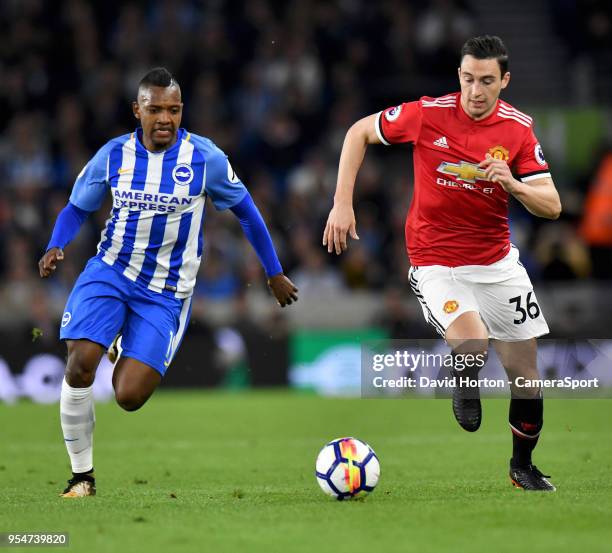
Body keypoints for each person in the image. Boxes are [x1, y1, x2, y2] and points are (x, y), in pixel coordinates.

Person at [39, 67, 298, 498]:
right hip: (111, 270)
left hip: (165, 292)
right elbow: (76, 208)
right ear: (136, 110)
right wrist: (55, 244)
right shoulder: (113, 155)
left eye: (173, 110)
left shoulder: (205, 159)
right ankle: (81, 477)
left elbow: (248, 213)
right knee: (81, 360)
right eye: (155, 108)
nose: (165, 118)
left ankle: (122, 345)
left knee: (129, 396)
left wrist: (274, 272)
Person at [323, 36, 561, 491]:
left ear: (504, 81)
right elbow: (359, 132)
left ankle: (521, 466)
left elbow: (551, 206)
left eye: (487, 81)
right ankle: (464, 377)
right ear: (459, 76)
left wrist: (513, 183)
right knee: (472, 343)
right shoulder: (426, 114)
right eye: (469, 78)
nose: (475, 90)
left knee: (526, 375)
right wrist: (341, 203)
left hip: (497, 264)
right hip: (436, 261)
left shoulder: (518, 130)